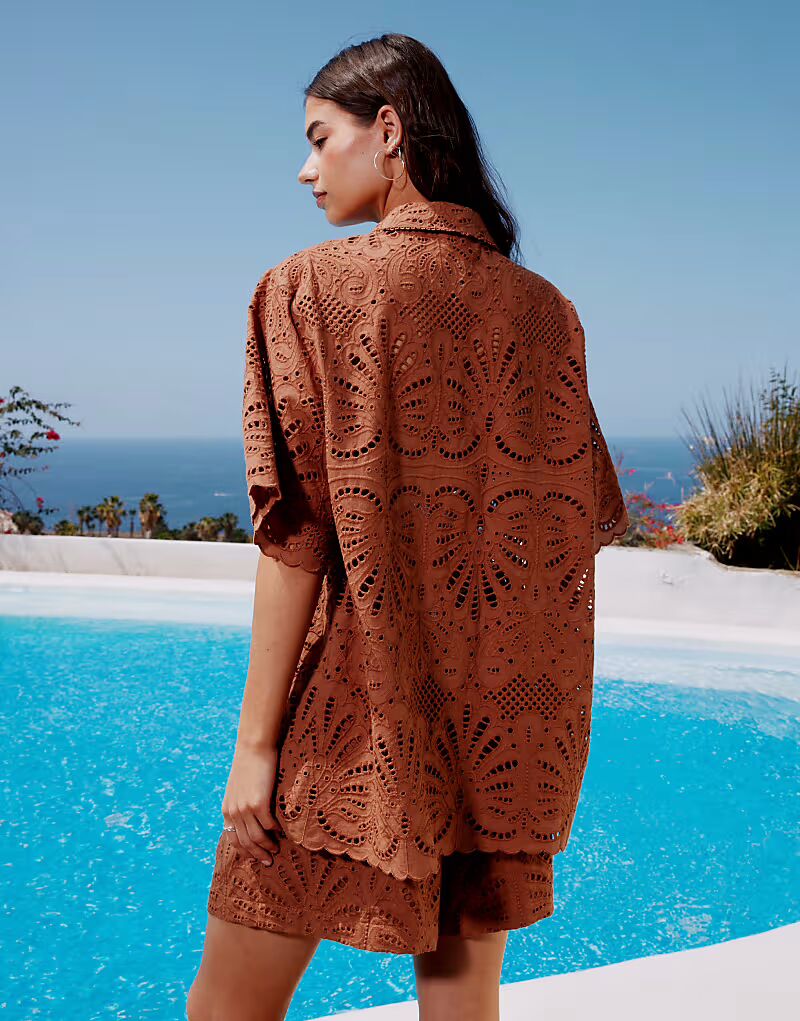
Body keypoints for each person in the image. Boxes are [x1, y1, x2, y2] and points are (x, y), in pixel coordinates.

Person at [187, 32, 629, 1021]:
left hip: (345, 725)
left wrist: (255, 746)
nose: (304, 169)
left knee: (224, 1010)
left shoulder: (306, 289)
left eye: (318, 138)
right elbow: (573, 524)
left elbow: (295, 538)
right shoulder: (547, 313)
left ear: (387, 129)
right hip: (504, 731)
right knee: (462, 1010)